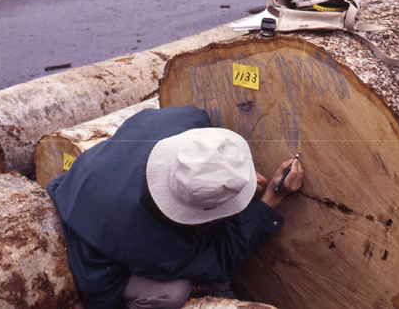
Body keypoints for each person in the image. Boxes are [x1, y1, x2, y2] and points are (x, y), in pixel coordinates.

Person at [47, 105, 304, 309]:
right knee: (172, 293)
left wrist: (233, 171)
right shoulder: (154, 243)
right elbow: (220, 259)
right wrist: (273, 197)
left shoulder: (183, 119)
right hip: (91, 253)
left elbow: (205, 159)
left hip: (74, 187)